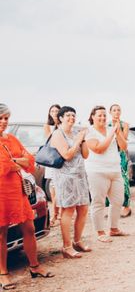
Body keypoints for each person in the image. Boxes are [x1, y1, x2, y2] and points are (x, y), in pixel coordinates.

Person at [0, 104, 54, 289]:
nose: (4, 122)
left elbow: (30, 160)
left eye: (6, 118)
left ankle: (34, 266)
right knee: (2, 233)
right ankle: (3, 273)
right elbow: (3, 166)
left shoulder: (12, 139)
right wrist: (16, 162)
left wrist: (15, 162)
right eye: (0, 118)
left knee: (29, 228)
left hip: (18, 190)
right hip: (1, 193)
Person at [50, 106, 91, 258]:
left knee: (83, 208)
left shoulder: (76, 133)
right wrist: (78, 141)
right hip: (65, 176)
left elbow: (85, 155)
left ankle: (77, 241)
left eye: (73, 115)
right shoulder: (57, 134)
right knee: (68, 210)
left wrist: (83, 139)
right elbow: (67, 155)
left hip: (80, 176)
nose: (71, 118)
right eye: (68, 115)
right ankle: (66, 246)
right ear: (60, 118)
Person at [85, 106, 127, 243]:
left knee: (118, 200)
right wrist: (111, 134)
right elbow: (98, 149)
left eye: (104, 115)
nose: (103, 118)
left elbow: (124, 146)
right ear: (92, 117)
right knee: (98, 202)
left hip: (115, 170)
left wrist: (118, 131)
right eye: (99, 115)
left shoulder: (111, 129)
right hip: (97, 171)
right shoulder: (89, 132)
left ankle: (113, 228)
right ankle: (100, 232)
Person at [108, 104, 131, 218]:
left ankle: (127, 206)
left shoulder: (125, 124)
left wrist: (117, 127)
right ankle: (112, 207)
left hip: (120, 155)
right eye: (114, 110)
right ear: (110, 112)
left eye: (118, 110)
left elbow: (123, 142)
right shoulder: (106, 125)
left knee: (123, 181)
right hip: (109, 155)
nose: (116, 112)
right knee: (109, 182)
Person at [43, 104, 61, 225]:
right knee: (53, 189)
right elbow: (51, 141)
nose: (54, 113)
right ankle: (55, 214)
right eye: (52, 111)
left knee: (61, 188)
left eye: (56, 111)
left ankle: (59, 213)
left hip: (62, 158)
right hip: (52, 159)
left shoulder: (62, 125)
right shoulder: (48, 126)